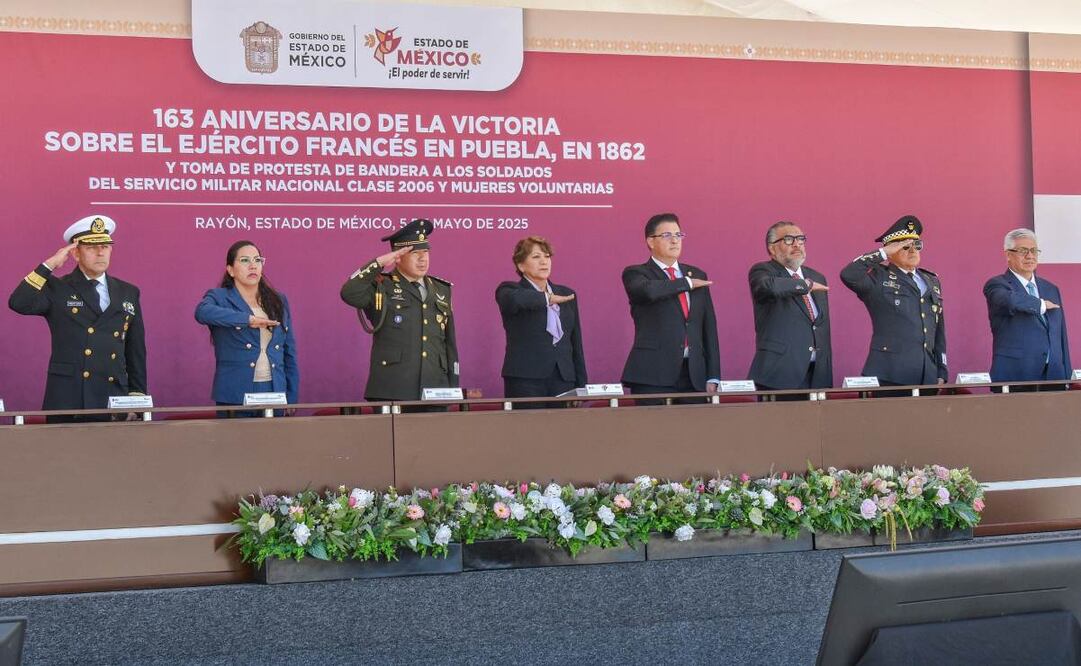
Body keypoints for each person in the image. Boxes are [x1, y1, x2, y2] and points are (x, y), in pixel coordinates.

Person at [8, 214, 147, 422]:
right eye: (91, 247)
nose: (100, 252)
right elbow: (19, 302)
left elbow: (135, 351)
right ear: (75, 253)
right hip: (69, 398)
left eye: (105, 246)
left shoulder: (128, 292)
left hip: (113, 397)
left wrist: (136, 398)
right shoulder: (58, 288)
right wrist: (49, 265)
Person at [340, 218, 458, 402]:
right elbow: (349, 293)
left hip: (436, 390)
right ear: (398, 257)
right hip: (392, 390)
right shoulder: (382, 285)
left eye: (426, 252)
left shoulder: (442, 289)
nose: (423, 258)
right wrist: (379, 262)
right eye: (415, 253)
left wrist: (453, 388)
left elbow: (449, 344)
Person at [621, 213, 720, 403]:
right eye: (667, 235)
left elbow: (708, 327)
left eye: (678, 235)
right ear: (650, 241)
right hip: (652, 374)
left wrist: (713, 375)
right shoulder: (636, 273)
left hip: (694, 375)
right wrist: (687, 283)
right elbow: (648, 291)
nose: (675, 240)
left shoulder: (697, 274)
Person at [840, 215, 947, 391]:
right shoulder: (879, 277)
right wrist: (882, 253)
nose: (913, 250)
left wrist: (942, 370)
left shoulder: (931, 280)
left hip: (926, 374)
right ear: (891, 251)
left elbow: (938, 329)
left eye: (917, 245)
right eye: (905, 246)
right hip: (890, 373)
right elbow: (848, 274)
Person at [194, 240, 299, 416]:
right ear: (230, 270)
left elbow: (289, 352)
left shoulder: (278, 300)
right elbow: (201, 312)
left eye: (257, 260)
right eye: (244, 260)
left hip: (275, 390)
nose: (253, 265)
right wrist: (248, 320)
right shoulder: (219, 297)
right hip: (235, 392)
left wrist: (292, 395)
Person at [495, 237, 587, 407]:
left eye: (547, 256)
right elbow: (517, 300)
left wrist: (582, 385)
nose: (544, 262)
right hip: (525, 379)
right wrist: (547, 298)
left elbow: (576, 342)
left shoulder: (566, 293)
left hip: (563, 378)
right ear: (521, 265)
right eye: (536, 257)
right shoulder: (509, 290)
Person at [747, 221, 832, 397]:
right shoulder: (763, 271)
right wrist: (805, 285)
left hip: (817, 375)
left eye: (800, 239)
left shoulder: (817, 277)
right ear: (772, 248)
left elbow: (819, 325)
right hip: (779, 374)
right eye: (788, 239)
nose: (797, 244)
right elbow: (769, 287)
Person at [982, 228, 1070, 390]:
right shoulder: (997, 285)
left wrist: (1067, 376)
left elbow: (1060, 336)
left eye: (1034, 251)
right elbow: (1009, 301)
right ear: (1008, 254)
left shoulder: (1051, 288)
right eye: (1023, 251)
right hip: (1016, 376)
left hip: (1054, 376)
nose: (1030, 256)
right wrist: (1040, 305)